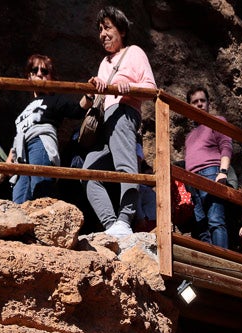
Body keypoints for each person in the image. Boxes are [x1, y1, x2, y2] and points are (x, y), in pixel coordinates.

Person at [81, 7, 157, 238]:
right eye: (100, 30)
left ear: (122, 30)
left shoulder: (134, 52)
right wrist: (93, 88)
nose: (102, 34)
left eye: (108, 28)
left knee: (126, 168)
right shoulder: (105, 62)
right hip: (105, 122)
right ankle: (111, 224)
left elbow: (151, 88)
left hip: (124, 114)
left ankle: (125, 220)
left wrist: (131, 88)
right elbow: (85, 103)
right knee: (88, 172)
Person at [6, 54, 85, 204]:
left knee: (40, 187)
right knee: (19, 195)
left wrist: (89, 95)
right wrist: (11, 156)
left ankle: (43, 224)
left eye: (45, 71)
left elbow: (77, 110)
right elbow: (19, 133)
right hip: (21, 150)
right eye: (34, 70)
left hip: (40, 142)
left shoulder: (54, 100)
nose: (39, 74)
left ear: (52, 78)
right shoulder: (25, 109)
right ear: (28, 77)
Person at [184, 87, 234, 249]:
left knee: (215, 219)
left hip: (210, 172)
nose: (199, 104)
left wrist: (223, 171)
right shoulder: (190, 135)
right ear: (189, 106)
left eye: (202, 101)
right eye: (195, 102)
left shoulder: (216, 120)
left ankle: (221, 261)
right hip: (192, 179)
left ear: (208, 103)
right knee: (200, 225)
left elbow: (226, 146)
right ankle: (210, 265)